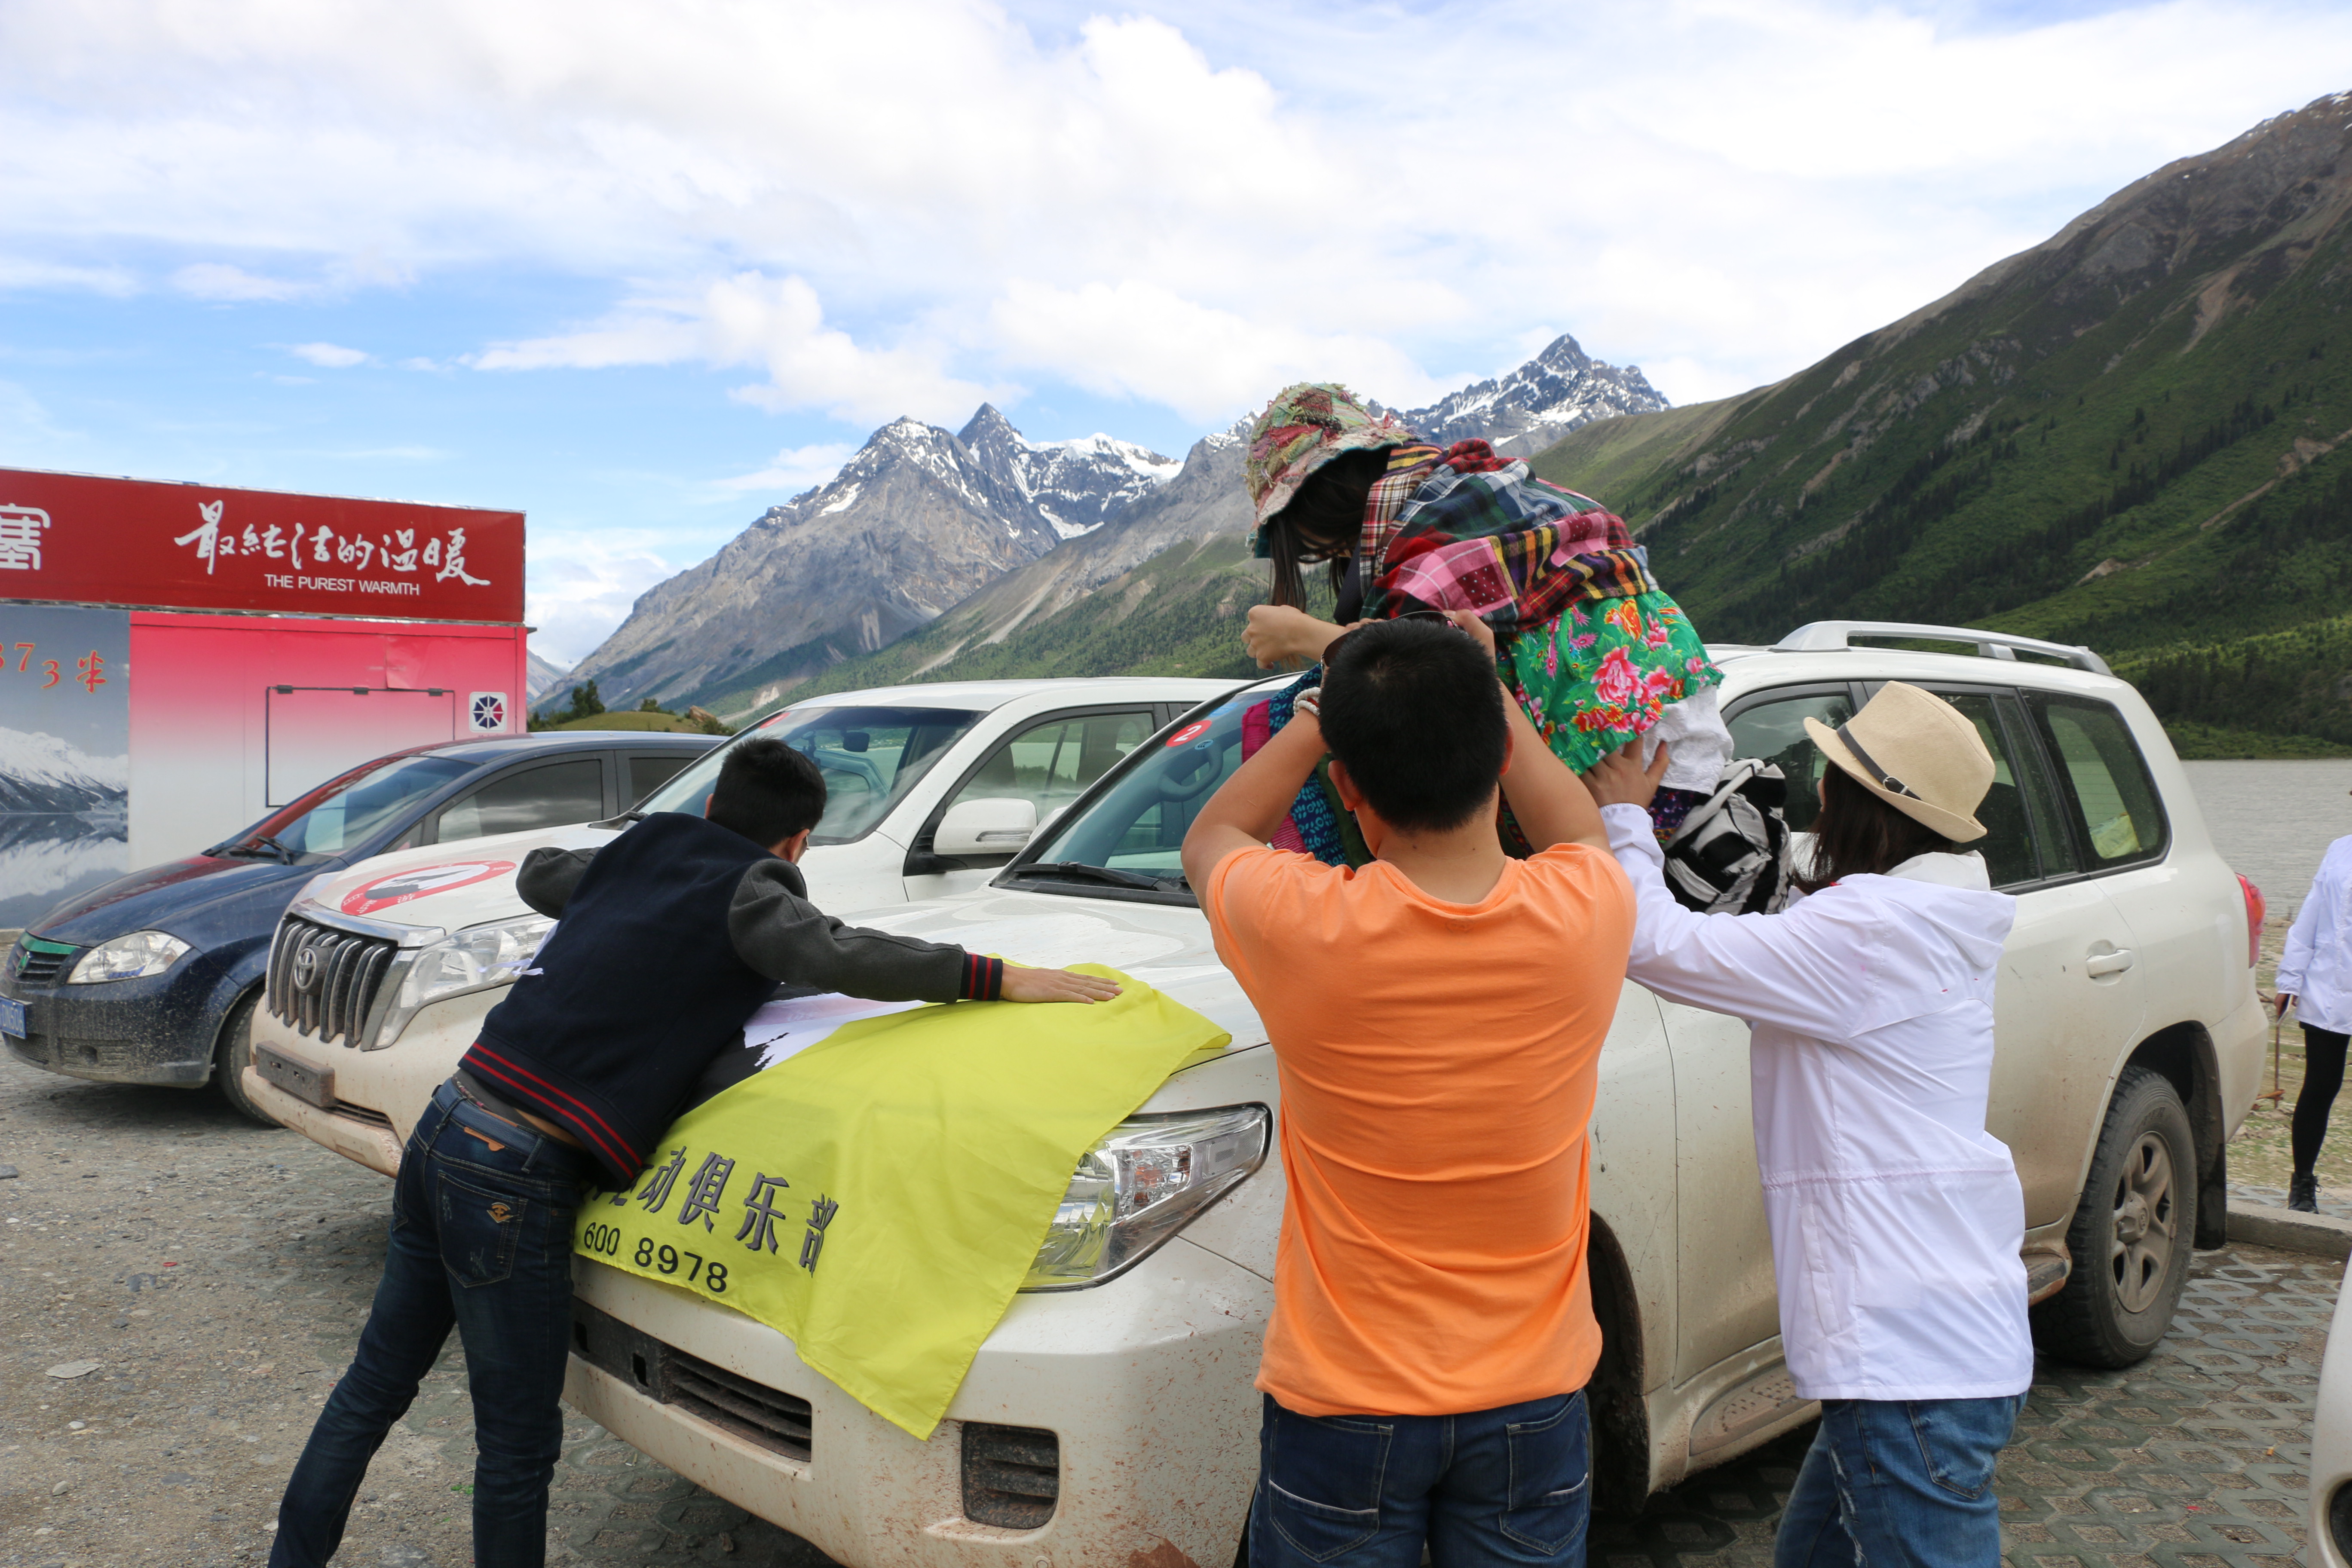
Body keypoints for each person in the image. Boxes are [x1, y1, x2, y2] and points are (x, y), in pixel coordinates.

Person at [270, 738, 1119, 1568]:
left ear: (711, 806)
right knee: (517, 1441)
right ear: (798, 844)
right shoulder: (751, 894)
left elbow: (540, 873)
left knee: (376, 1385)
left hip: (448, 1122)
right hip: (515, 1171)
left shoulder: (642, 847)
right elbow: (841, 951)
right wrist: (997, 977)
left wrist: (618, 882)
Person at [1181, 612, 1635, 1567]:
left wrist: (1319, 711)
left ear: (1347, 784)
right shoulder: (1587, 910)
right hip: (1536, 1395)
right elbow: (1578, 826)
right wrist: (1486, 685)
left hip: (1347, 1398)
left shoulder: (1304, 926)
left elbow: (1215, 834)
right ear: (1500, 752)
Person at [1583, 681, 2030, 1568]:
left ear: (1863, 807)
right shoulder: (1915, 920)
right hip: (1929, 1338)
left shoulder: (1875, 930)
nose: (1817, 791)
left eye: (1831, 778)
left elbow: (1656, 948)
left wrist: (1627, 821)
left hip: (1907, 1359)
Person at [1237, 381, 1734, 856]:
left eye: (1311, 542)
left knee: (1310, 713)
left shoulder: (1429, 541)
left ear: (1316, 505)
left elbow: (1414, 676)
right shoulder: (1491, 491)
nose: (1327, 555)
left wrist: (1303, 634)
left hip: (1615, 788)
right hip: (1677, 757)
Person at [2274, 829, 2352, 1212]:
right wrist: (2290, 978)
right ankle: (2302, 1184)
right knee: (2321, 1085)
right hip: (2329, 987)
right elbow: (2310, 915)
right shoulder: (2339, 850)